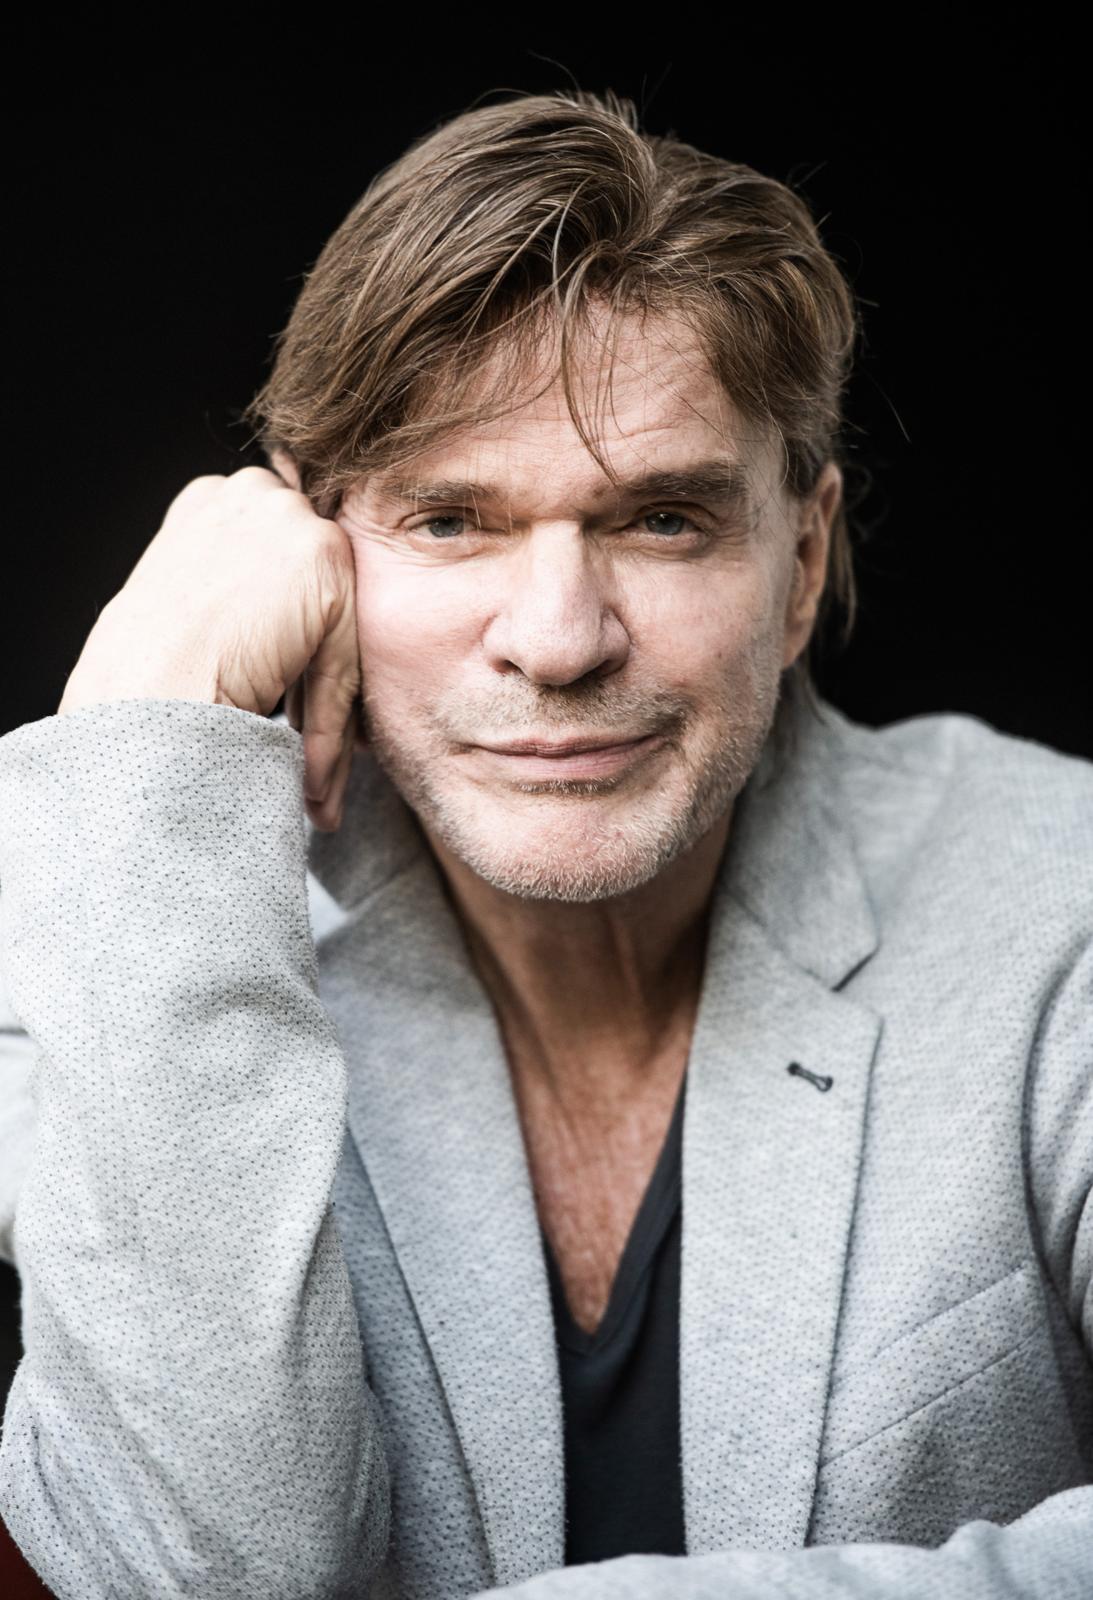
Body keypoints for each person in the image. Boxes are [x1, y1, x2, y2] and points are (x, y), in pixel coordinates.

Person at [0, 86, 1089, 1600]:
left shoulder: (1060, 894)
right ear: (314, 560)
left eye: (661, 520)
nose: (559, 640)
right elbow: (209, 1569)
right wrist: (143, 729)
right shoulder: (120, 950)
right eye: (450, 520)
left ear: (801, 563)